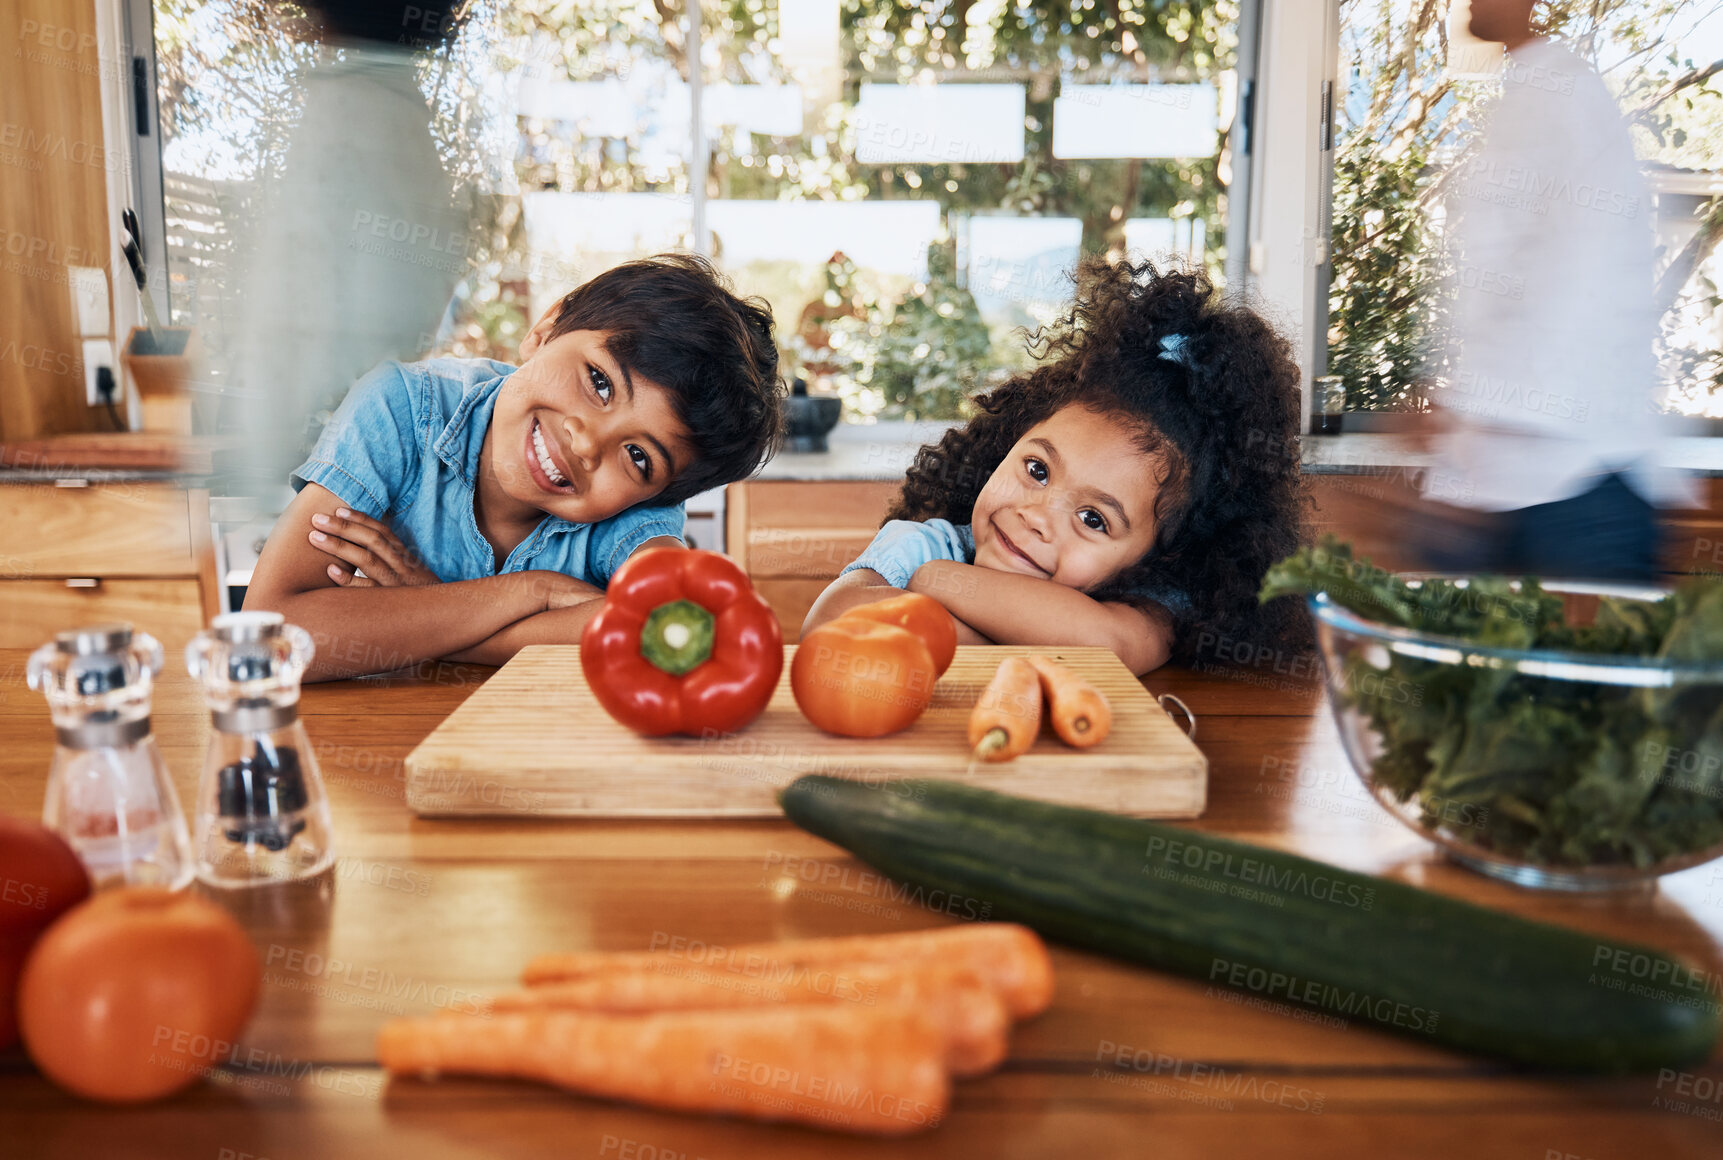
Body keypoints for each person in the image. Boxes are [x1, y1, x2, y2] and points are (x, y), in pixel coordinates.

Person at [243, 254, 784, 681]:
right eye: (599, 381)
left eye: (639, 457)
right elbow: (272, 637)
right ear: (545, 329)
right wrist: (531, 593)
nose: (586, 444)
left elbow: (663, 621)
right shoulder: (402, 409)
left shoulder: (630, 514)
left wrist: (424, 607)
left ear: (657, 495)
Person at [803, 257, 1310, 676]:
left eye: (1094, 519)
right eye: (1038, 470)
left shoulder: (1149, 598)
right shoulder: (926, 543)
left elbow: (1104, 642)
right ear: (1009, 441)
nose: (1036, 515)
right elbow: (829, 627)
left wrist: (936, 582)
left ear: (1158, 556)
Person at [1407, 0, 1693, 580]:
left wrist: (1468, 408)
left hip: (1576, 486)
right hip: (1519, 480)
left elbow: (1579, 285)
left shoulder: (1564, 94)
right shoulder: (1531, 93)